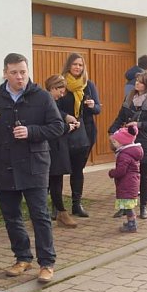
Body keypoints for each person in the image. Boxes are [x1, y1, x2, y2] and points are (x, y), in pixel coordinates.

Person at [0, 53, 64, 283]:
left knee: (40, 215)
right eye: (14, 73)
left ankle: (47, 263)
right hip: (4, 165)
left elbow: (57, 127)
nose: (19, 77)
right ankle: (22, 257)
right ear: (5, 73)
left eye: (23, 72)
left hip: (34, 165)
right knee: (11, 216)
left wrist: (31, 131)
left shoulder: (42, 96)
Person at [109, 70, 147, 220]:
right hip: (126, 143)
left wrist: (139, 124)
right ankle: (124, 207)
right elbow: (120, 117)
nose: (136, 84)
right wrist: (112, 131)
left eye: (140, 82)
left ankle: (143, 207)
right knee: (123, 176)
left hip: (145, 144)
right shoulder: (129, 98)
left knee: (144, 177)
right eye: (136, 81)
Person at [59, 53, 102, 218]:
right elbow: (53, 106)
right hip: (64, 131)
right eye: (75, 64)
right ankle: (58, 206)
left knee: (78, 169)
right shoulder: (61, 83)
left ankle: (77, 204)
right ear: (68, 65)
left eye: (81, 65)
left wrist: (92, 105)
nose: (78, 67)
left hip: (86, 133)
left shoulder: (88, 85)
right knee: (59, 169)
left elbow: (98, 109)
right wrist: (66, 116)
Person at [44, 75, 78, 228]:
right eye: (60, 91)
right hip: (51, 147)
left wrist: (67, 116)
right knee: (52, 182)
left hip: (57, 146)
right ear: (53, 88)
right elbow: (52, 124)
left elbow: (57, 113)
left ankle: (56, 214)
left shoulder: (51, 101)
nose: (62, 95)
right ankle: (60, 214)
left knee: (55, 181)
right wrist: (67, 127)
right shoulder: (45, 101)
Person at [108, 125, 143, 233]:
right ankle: (131, 222)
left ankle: (132, 224)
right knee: (128, 205)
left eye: (115, 142)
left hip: (127, 183)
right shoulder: (130, 153)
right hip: (131, 182)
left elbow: (121, 171)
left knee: (128, 206)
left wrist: (112, 173)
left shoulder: (124, 155)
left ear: (123, 142)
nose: (113, 145)